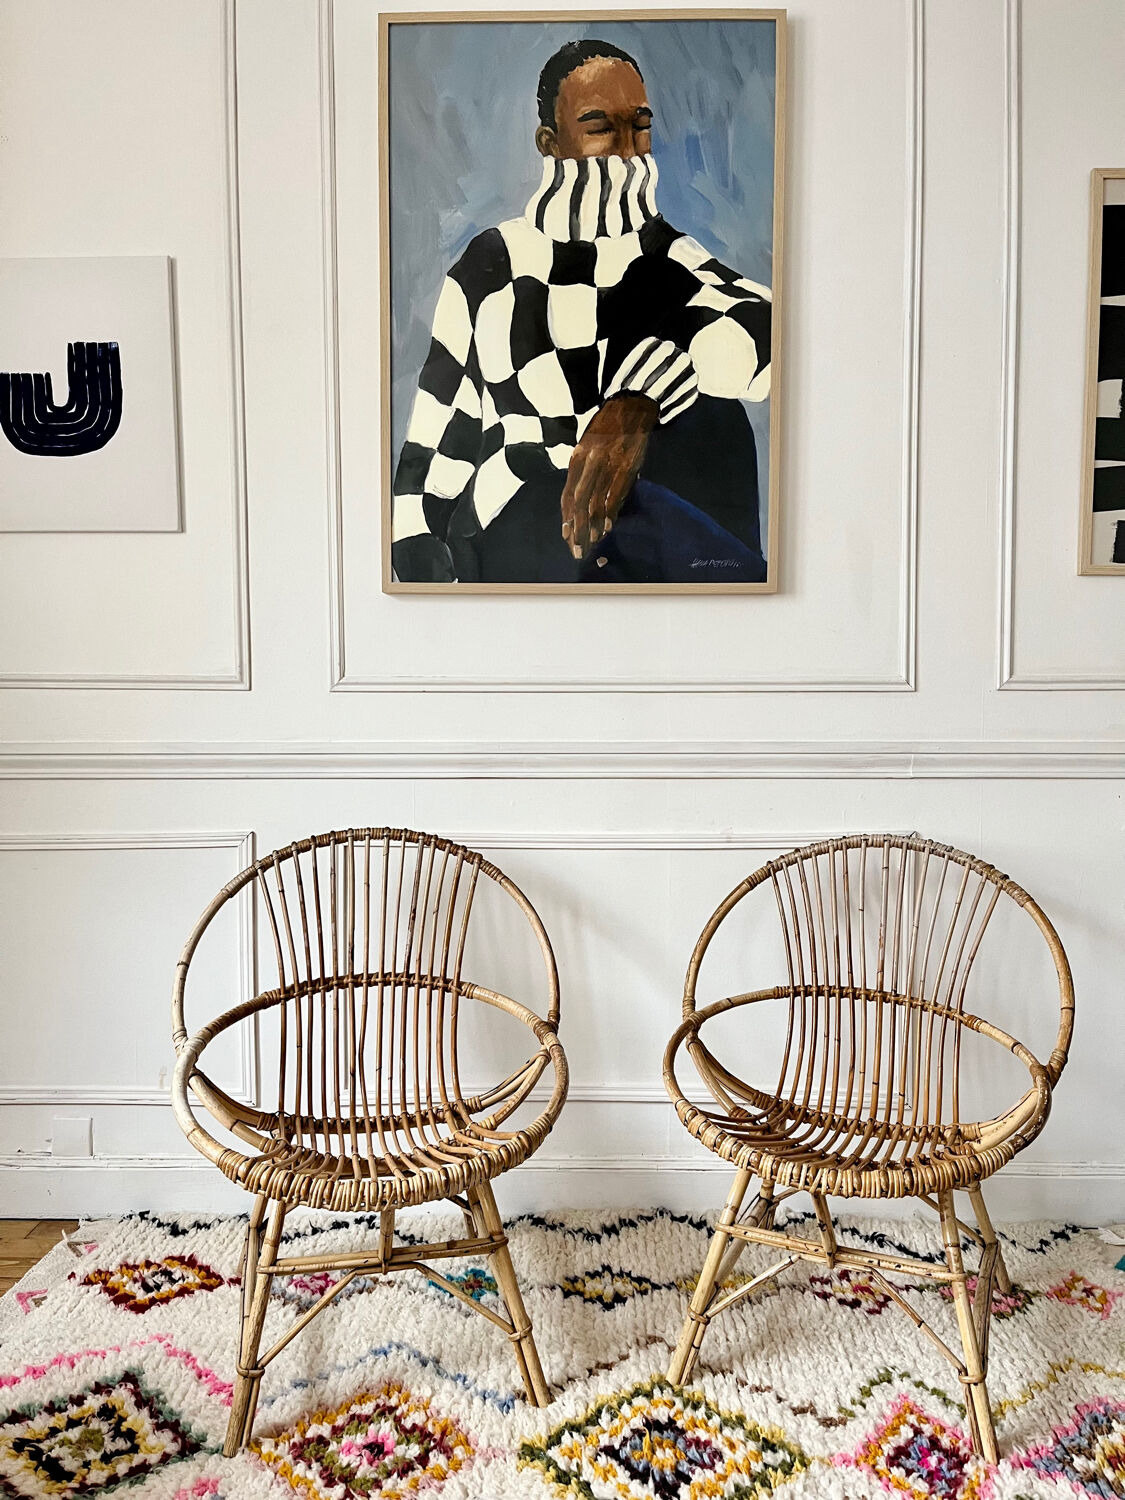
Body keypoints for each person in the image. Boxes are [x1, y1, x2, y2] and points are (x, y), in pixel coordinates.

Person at [391, 38, 772, 584]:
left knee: (715, 419)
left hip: (649, 541)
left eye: (639, 126)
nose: (626, 150)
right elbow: (430, 459)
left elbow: (769, 327)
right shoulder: (493, 265)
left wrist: (638, 401)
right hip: (523, 540)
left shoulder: (670, 258)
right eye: (600, 127)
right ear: (550, 142)